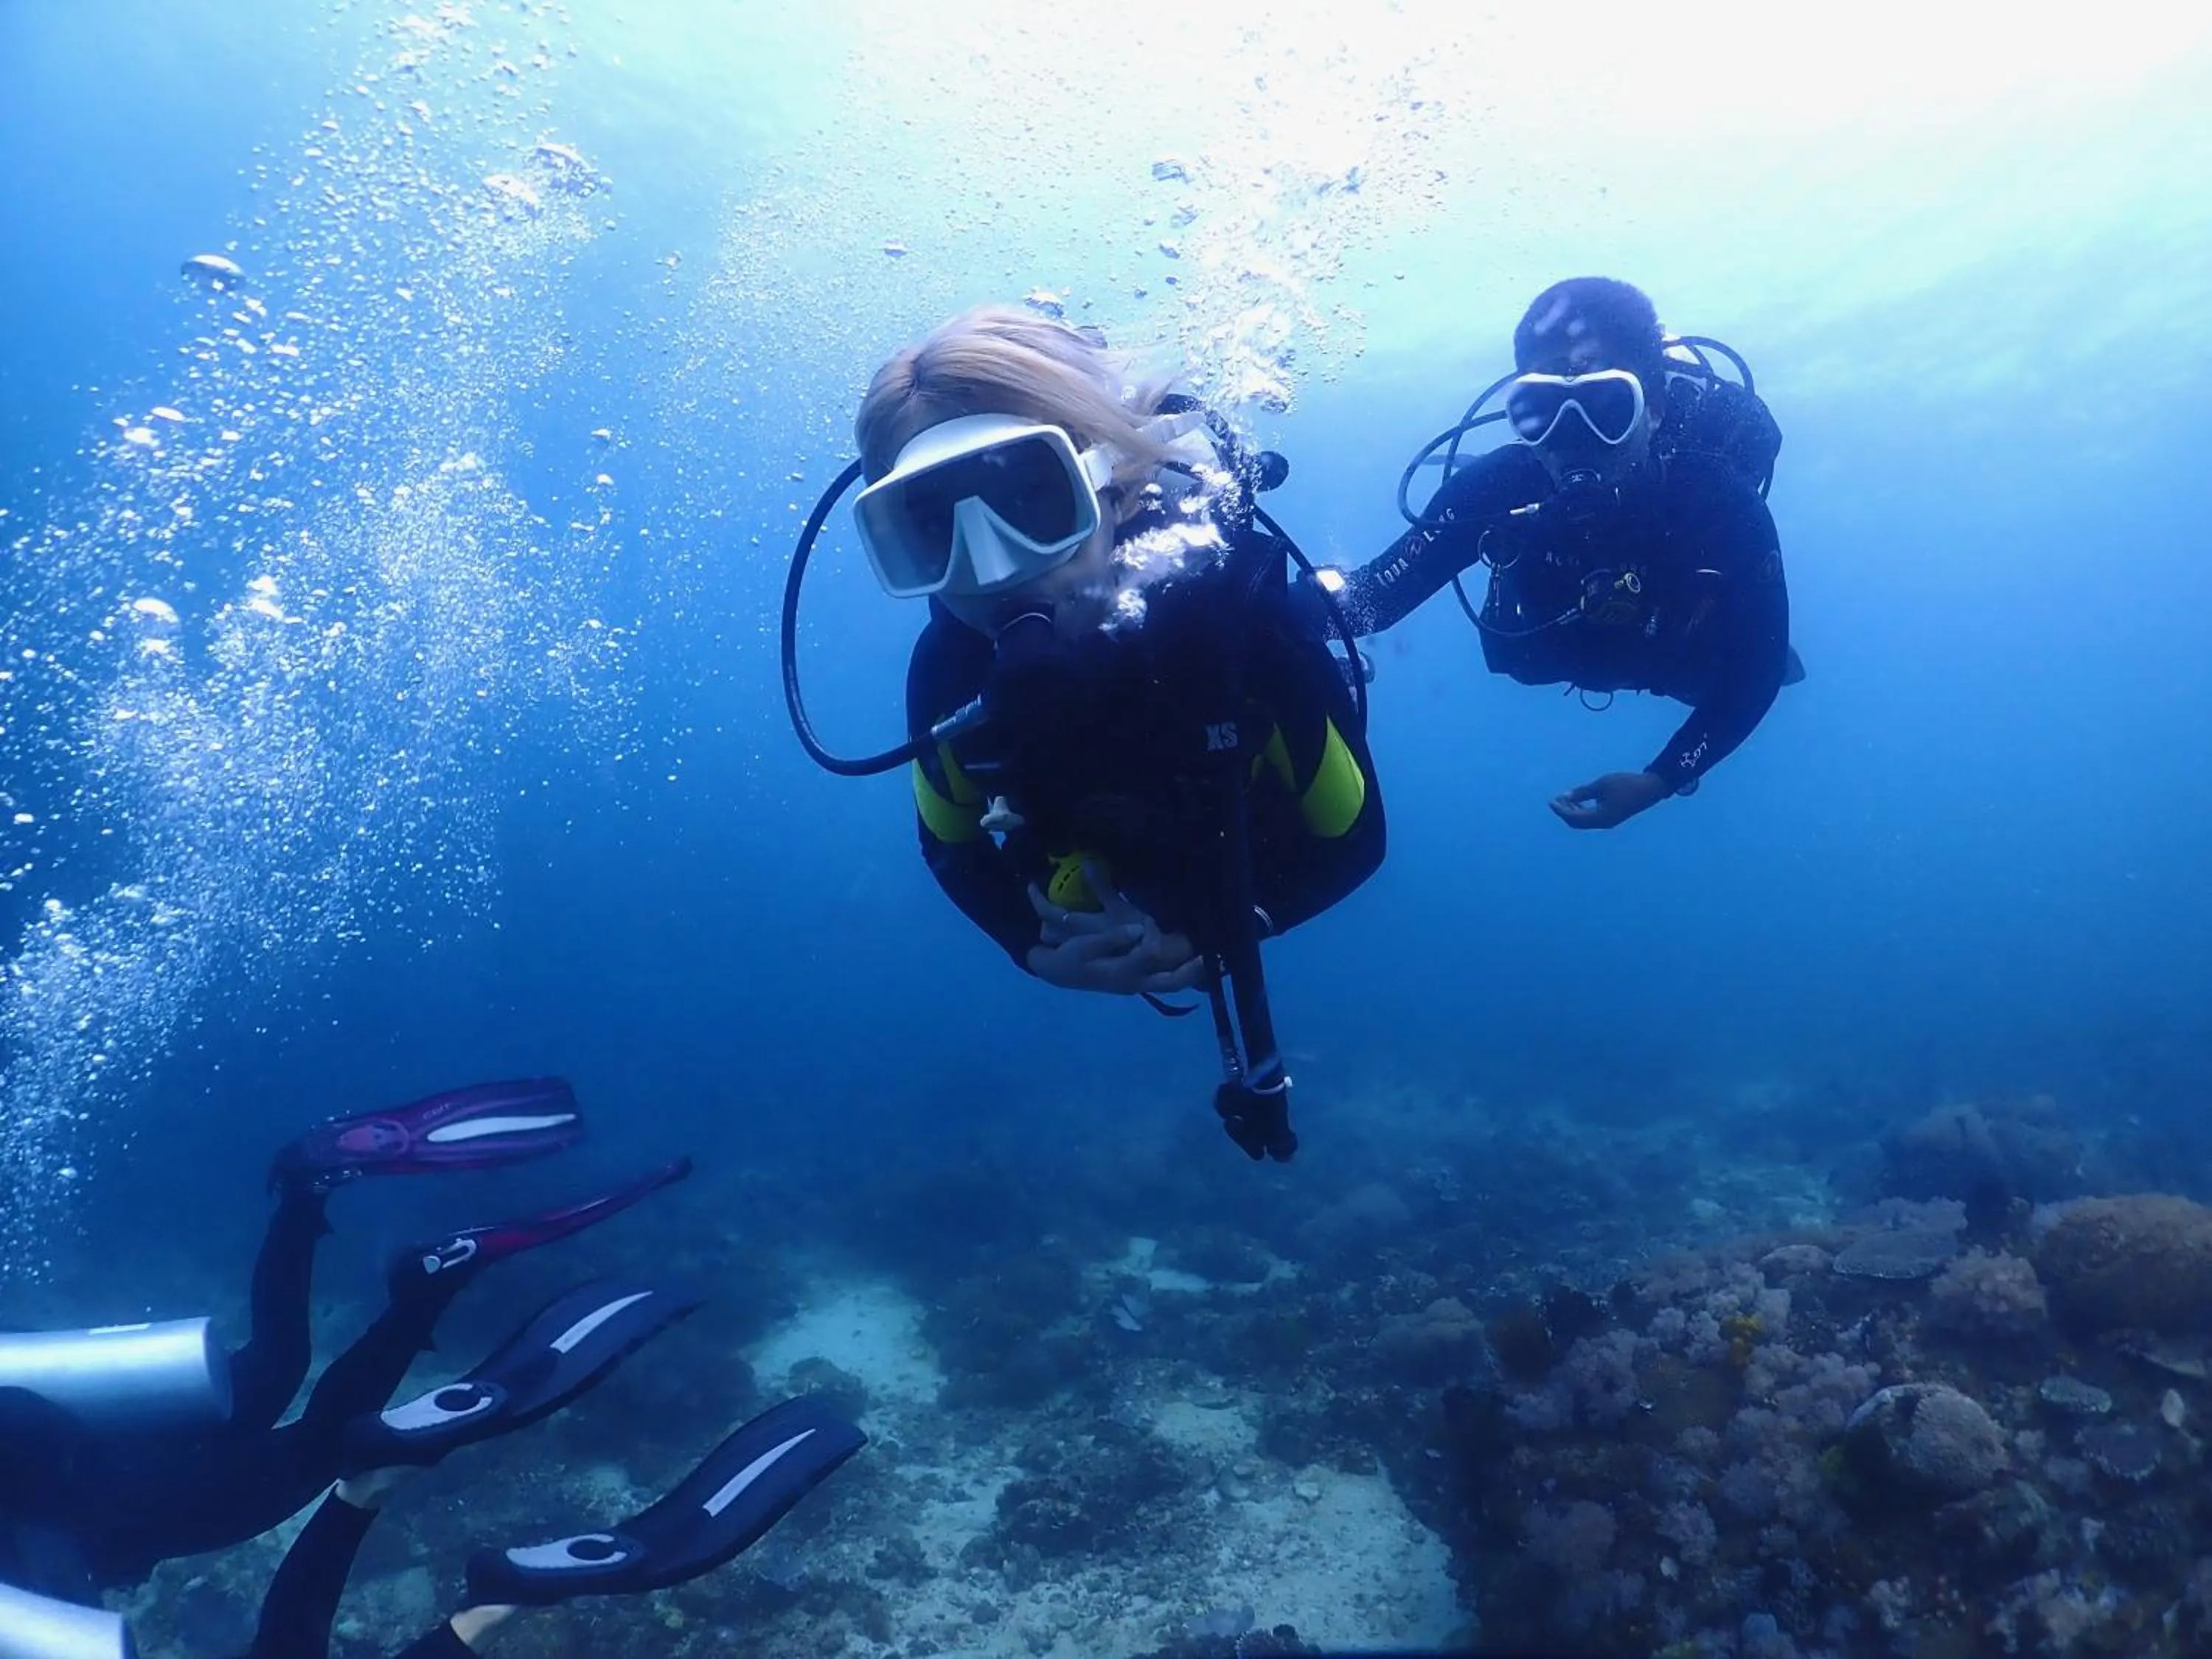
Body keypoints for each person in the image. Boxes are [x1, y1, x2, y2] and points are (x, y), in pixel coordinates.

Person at [849, 305, 1386, 1159]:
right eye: (931, 526)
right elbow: (950, 846)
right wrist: (1032, 950)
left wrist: (1230, 928)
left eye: (1030, 498)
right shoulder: (948, 674)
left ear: (1116, 482)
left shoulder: (1231, 628)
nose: (993, 565)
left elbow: (1354, 838)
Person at [0, 1078, 689, 1607]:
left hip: (121, 1505)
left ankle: (430, 1287)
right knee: (276, 1363)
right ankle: (303, 1191)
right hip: (106, 1425)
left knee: (323, 1445)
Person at [0, 1279, 866, 1659]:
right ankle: (367, 1486)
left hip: (54, 1510)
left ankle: (492, 1601)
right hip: (55, 1459)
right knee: (284, 1416)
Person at [1322, 276, 1793, 830]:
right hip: (1550, 657)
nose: (1573, 439)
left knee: (1740, 666)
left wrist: (1661, 779)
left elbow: (1758, 670)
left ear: (1655, 409)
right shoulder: (1495, 489)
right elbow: (1371, 601)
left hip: (1677, 663)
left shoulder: (1719, 502)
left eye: (1607, 407)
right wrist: (1246, 595)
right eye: (1542, 411)